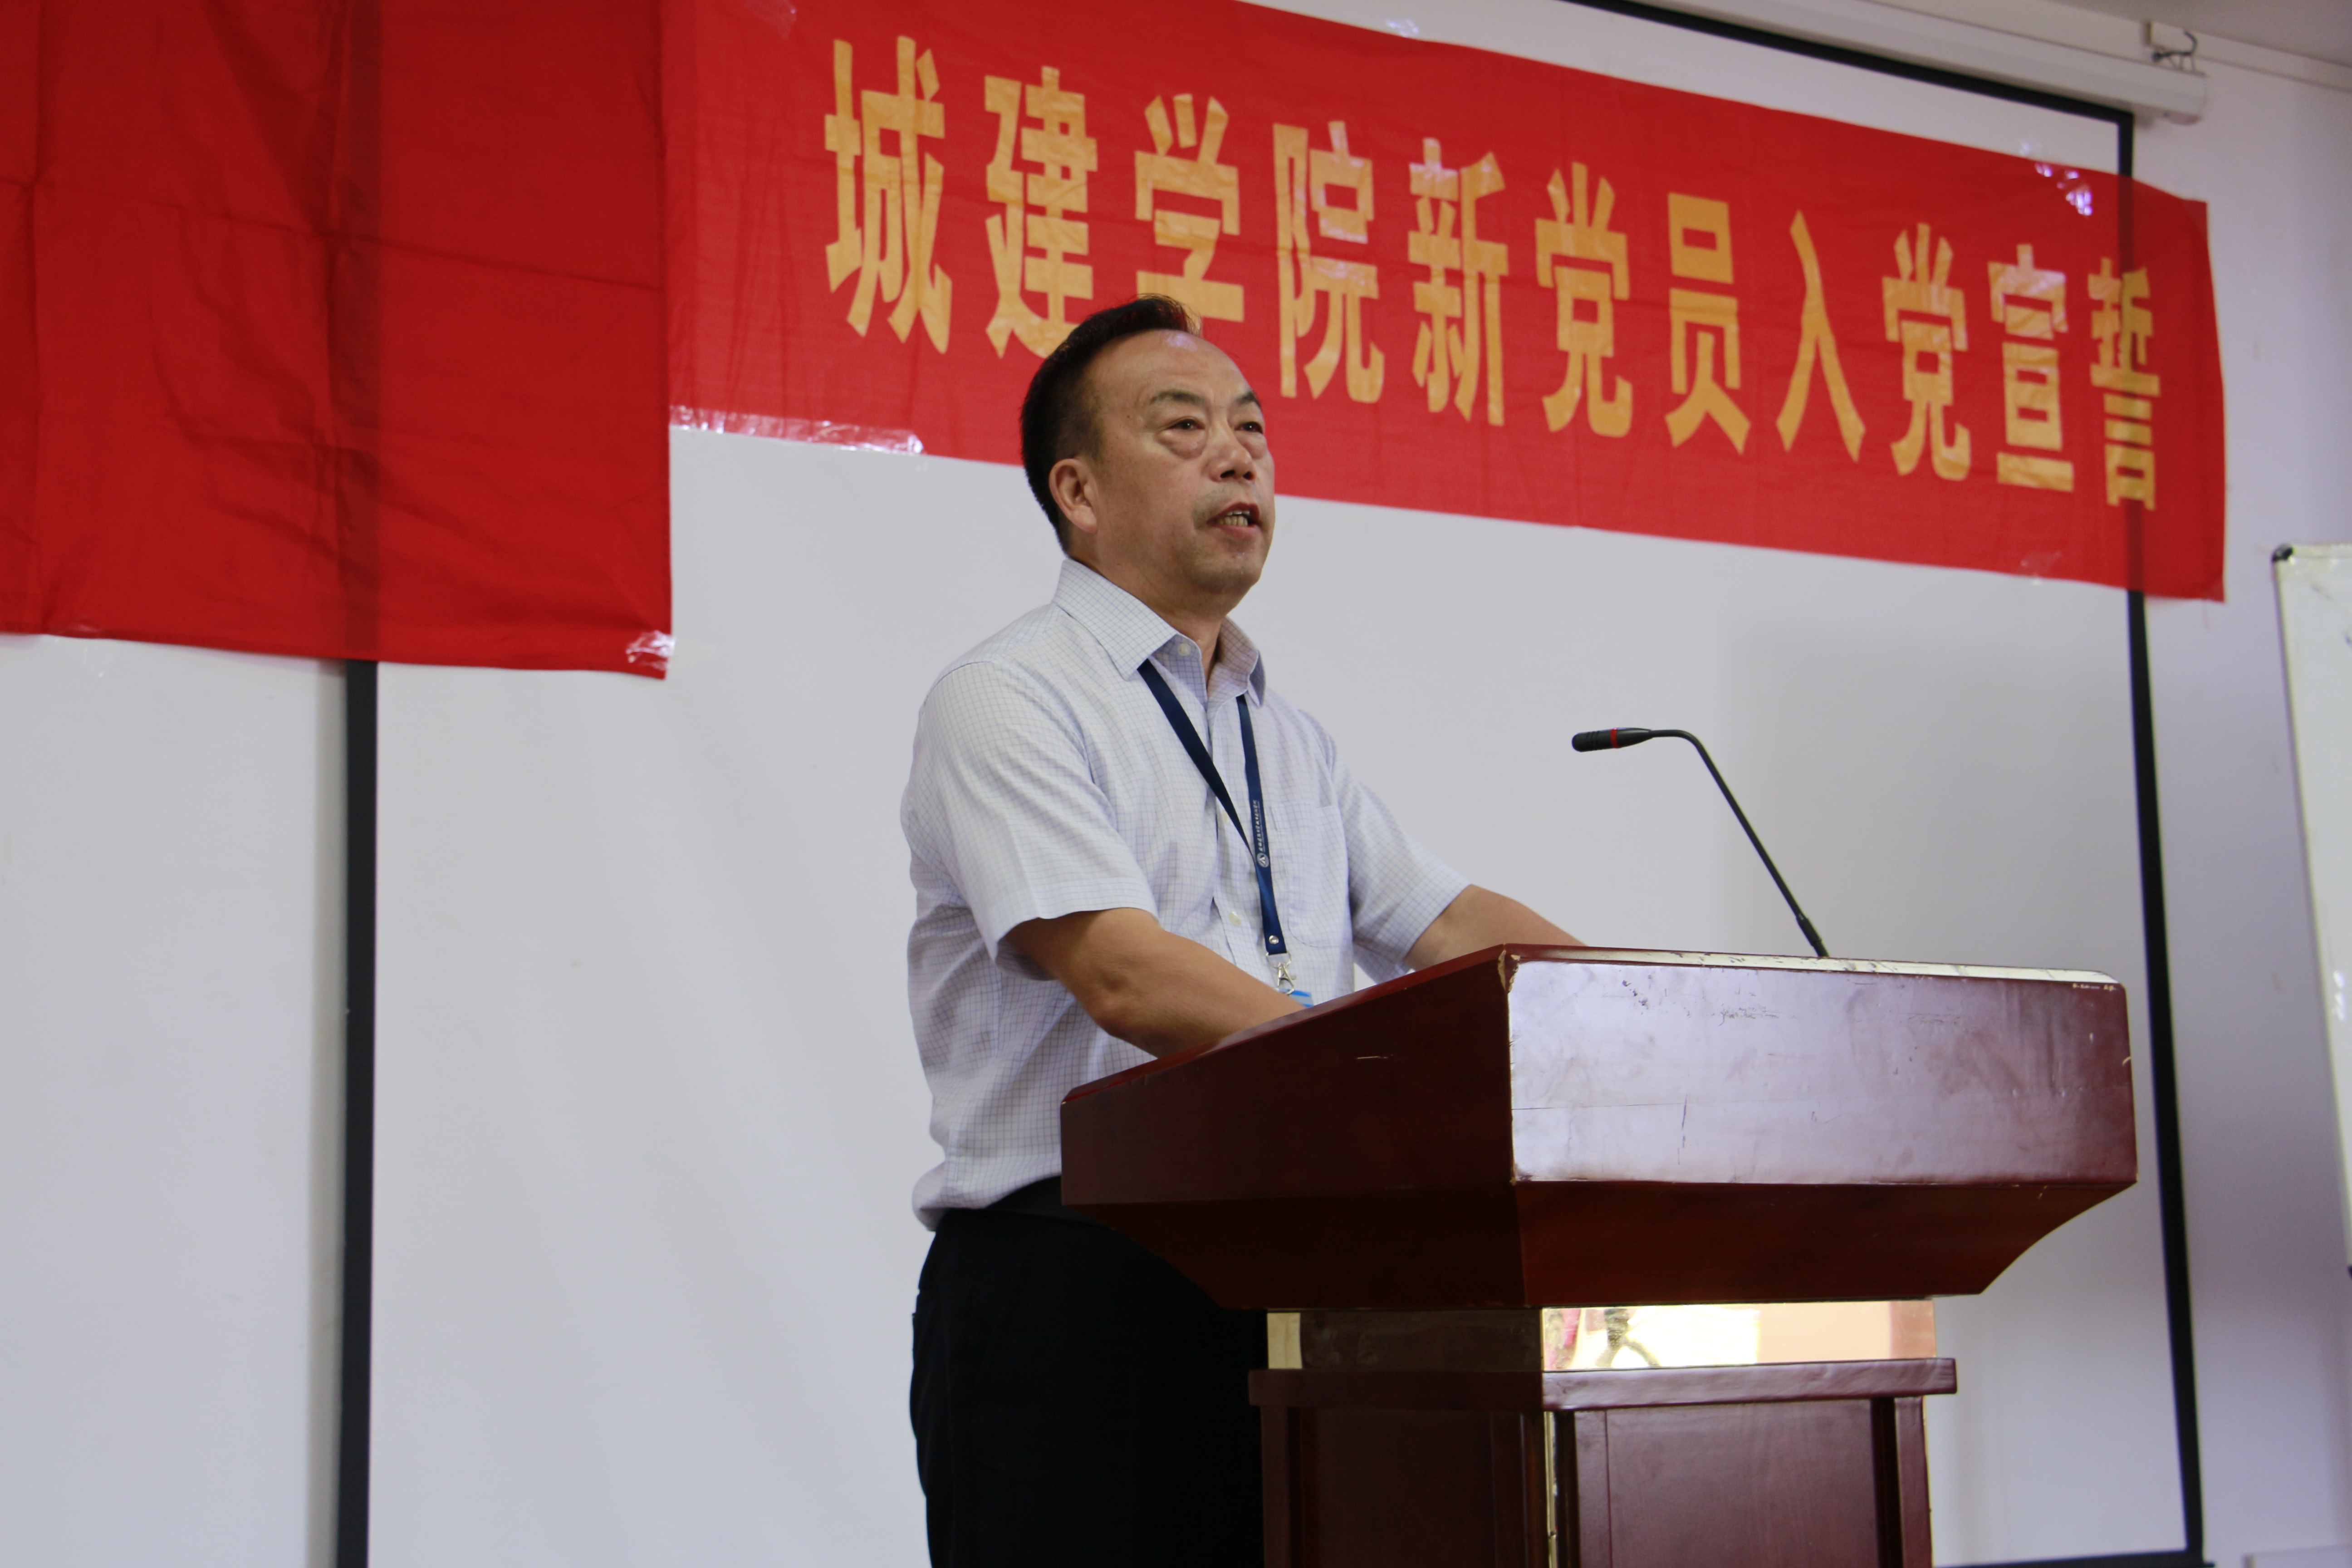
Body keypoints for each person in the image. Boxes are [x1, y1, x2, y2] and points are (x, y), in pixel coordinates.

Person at [901, 296, 1578, 1568]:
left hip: (1295, 1280)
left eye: (1252, 429)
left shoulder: (1285, 735)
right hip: (1080, 1285)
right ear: (1078, 490)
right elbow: (1124, 973)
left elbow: (1445, 919)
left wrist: (1635, 1013)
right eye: (1184, 428)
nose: (1237, 455)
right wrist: (1386, 1073)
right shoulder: (1010, 698)